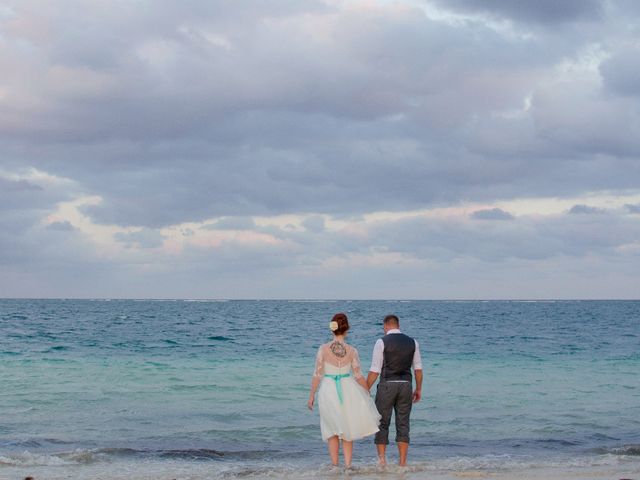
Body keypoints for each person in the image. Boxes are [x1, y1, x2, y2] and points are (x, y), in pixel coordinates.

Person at [308, 313, 381, 469]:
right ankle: (348, 466)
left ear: (332, 328)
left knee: (331, 429)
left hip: (328, 389)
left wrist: (311, 395)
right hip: (348, 388)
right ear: (346, 328)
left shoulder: (323, 349)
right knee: (347, 428)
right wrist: (367, 391)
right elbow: (358, 375)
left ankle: (335, 465)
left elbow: (317, 374)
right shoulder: (352, 350)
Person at [367, 314, 423, 466]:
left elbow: (375, 370)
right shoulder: (413, 342)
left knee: (382, 423)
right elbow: (418, 369)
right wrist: (418, 389)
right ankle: (403, 463)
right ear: (398, 325)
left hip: (387, 385)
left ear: (386, 326)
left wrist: (365, 389)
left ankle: (382, 461)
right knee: (403, 424)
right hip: (406, 385)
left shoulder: (381, 342)